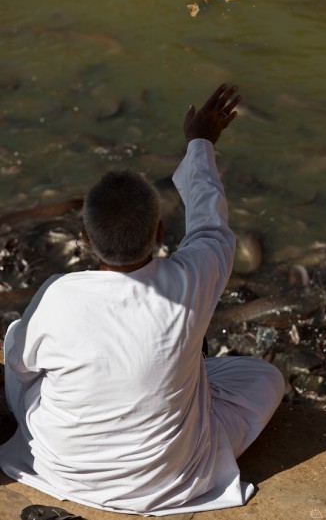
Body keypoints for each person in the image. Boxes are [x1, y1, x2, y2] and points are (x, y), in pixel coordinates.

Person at [0, 84, 285, 516]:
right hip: (167, 483)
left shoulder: (59, 295)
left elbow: (19, 369)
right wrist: (200, 141)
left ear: (84, 240)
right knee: (266, 378)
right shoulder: (192, 278)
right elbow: (210, 222)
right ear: (159, 235)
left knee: (20, 345)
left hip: (59, 467)